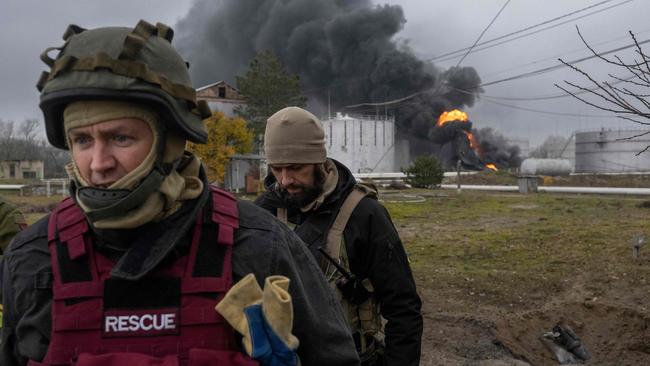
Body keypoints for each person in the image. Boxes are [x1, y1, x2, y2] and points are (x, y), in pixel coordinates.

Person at [0, 20, 359, 366]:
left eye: (120, 137)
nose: (98, 163)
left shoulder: (258, 246)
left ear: (171, 140)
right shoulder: (31, 259)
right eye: (81, 140)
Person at [255, 107, 423, 366]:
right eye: (277, 169)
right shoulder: (261, 214)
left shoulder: (364, 215)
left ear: (319, 160)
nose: (286, 179)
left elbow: (404, 309)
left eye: (296, 168)